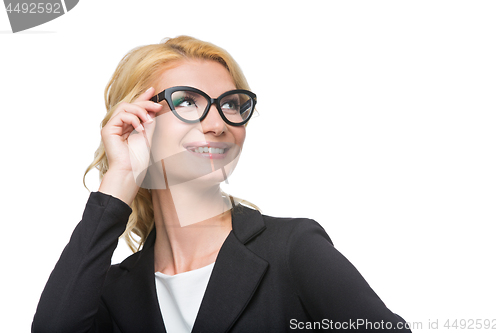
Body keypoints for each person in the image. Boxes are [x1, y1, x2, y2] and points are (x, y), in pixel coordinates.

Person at [32, 36, 412, 332]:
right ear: (137, 119)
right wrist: (121, 178)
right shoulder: (113, 288)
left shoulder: (294, 251)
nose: (218, 123)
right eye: (188, 102)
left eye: (231, 104)